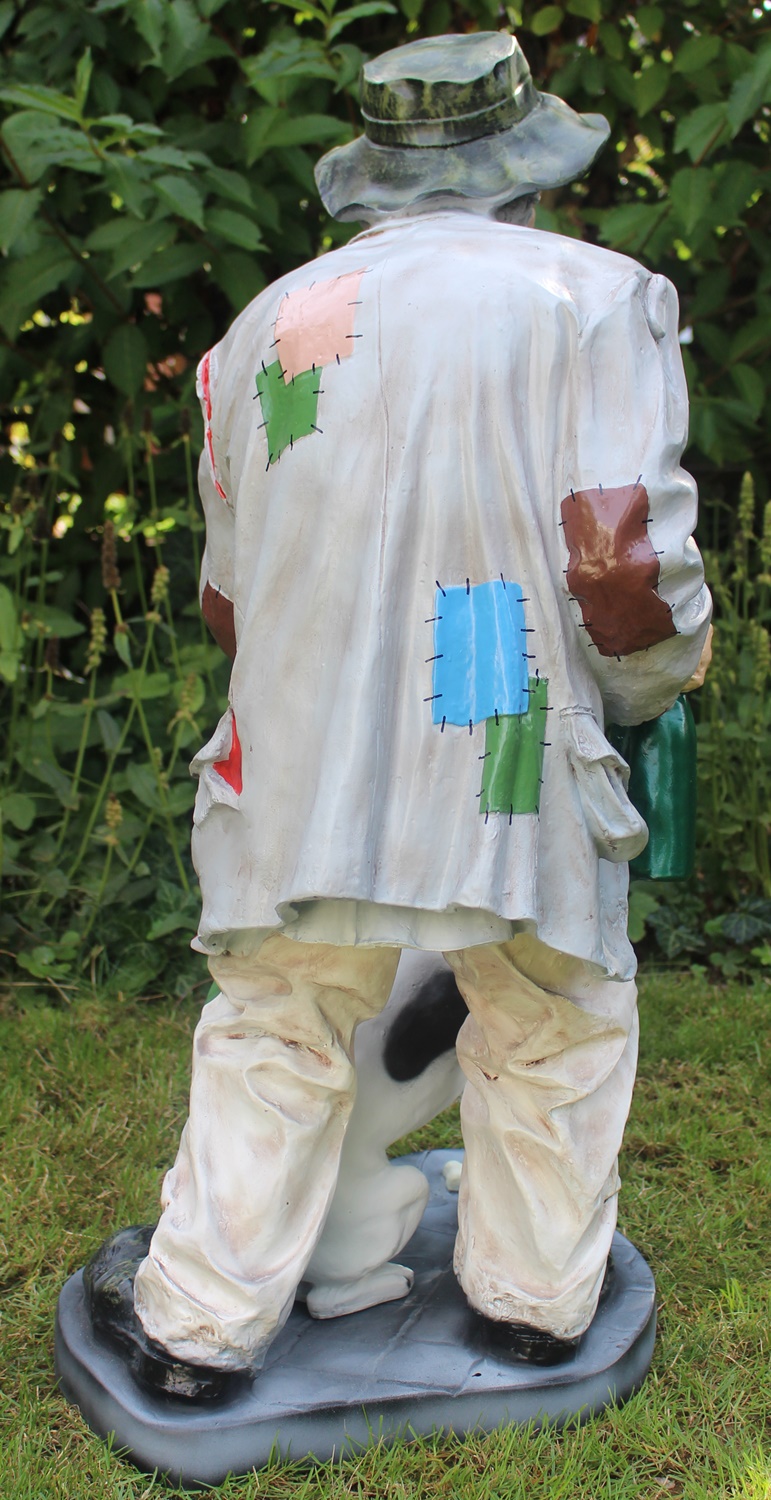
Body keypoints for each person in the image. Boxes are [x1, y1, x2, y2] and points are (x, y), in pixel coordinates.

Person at [85, 30, 712, 1396]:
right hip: (506, 746)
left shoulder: (260, 334)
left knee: (277, 1028)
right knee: (554, 1018)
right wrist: (663, 685)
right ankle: (536, 1306)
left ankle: (197, 1332)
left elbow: (229, 600)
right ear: (523, 166)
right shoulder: (594, 298)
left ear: (375, 176)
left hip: (295, 770)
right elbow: (619, 564)